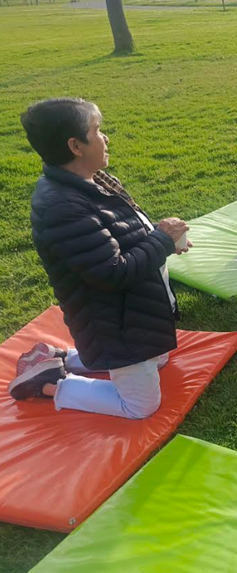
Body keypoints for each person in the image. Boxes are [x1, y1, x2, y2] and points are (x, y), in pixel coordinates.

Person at [9, 98, 191, 419]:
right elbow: (113, 273)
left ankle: (60, 357)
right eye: (97, 130)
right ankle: (50, 382)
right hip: (114, 325)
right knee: (140, 406)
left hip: (132, 311)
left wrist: (164, 239)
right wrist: (162, 240)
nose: (105, 137)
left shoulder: (94, 181)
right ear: (76, 146)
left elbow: (123, 233)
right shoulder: (62, 208)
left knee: (159, 358)